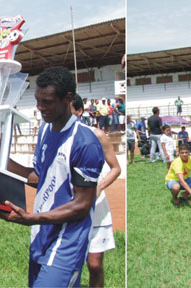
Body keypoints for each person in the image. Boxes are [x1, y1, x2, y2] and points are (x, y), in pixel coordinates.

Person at [0, 67, 104, 287]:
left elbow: (82, 205)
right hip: (41, 234)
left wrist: (31, 218)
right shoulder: (44, 130)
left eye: (47, 102)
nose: (40, 107)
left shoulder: (85, 143)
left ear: (68, 98)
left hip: (67, 241)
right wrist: (0, 161)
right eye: (37, 100)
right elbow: (39, 178)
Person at [68, 93, 121, 288]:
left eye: (69, 111)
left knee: (95, 264)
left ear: (80, 111)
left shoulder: (97, 135)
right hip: (68, 205)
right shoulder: (56, 136)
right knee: (70, 262)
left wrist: (98, 187)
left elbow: (116, 168)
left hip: (96, 207)